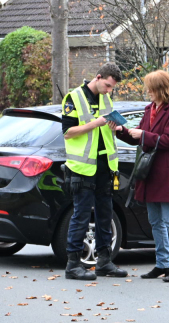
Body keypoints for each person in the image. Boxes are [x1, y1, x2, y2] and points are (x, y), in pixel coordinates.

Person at [114, 70, 169, 283]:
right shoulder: (150, 109)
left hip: (165, 171)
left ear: (161, 89)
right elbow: (138, 137)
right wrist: (121, 130)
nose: (148, 92)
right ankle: (162, 264)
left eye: (151, 88)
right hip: (149, 172)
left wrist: (144, 135)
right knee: (155, 220)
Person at [61, 63, 128, 280]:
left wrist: (115, 127)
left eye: (112, 88)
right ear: (98, 77)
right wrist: (97, 123)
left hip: (105, 165)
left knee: (105, 213)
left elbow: (106, 132)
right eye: (107, 85)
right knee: (81, 214)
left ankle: (104, 262)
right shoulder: (74, 98)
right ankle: (73, 265)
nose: (109, 90)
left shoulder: (106, 98)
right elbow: (68, 132)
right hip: (82, 167)